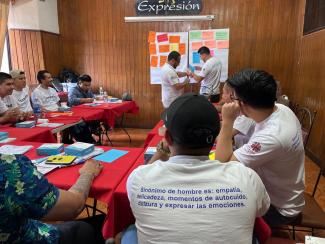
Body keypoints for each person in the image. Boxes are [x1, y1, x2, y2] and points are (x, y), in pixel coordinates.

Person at [125, 93, 270, 243]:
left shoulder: (139, 178)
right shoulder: (246, 176)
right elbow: (262, 210)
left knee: (130, 231)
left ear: (167, 138)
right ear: (215, 138)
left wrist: (159, 154)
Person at [215, 68, 305, 227]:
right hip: (288, 193)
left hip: (279, 209)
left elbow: (223, 165)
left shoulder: (272, 136)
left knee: (221, 209)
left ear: (241, 103)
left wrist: (228, 120)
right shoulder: (282, 109)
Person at [0, 153, 103, 243]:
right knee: (83, 229)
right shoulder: (8, 168)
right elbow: (75, 206)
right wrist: (88, 173)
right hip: (24, 238)